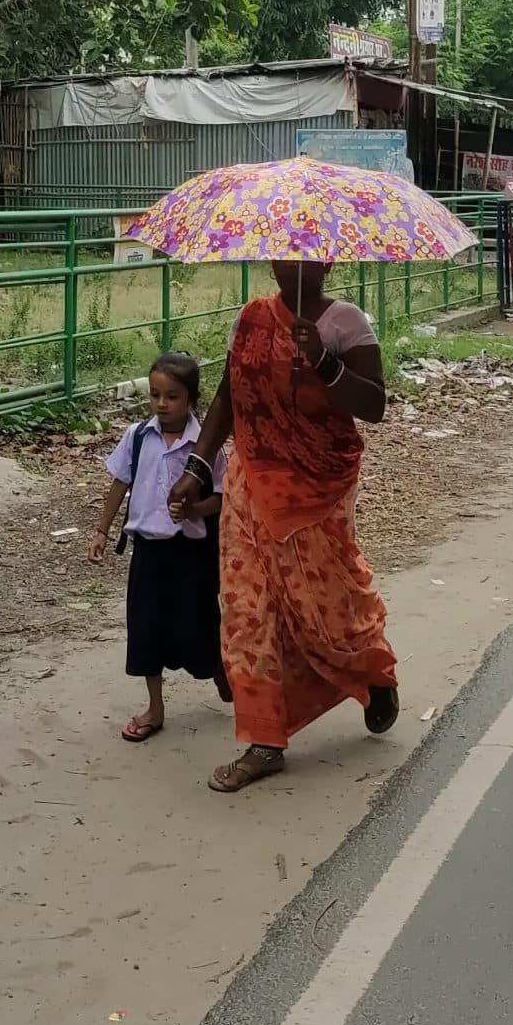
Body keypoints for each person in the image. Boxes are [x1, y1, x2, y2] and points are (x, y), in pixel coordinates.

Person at [168, 261, 399, 794]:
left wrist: (324, 362)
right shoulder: (251, 318)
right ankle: (264, 740)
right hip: (251, 481)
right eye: (282, 253)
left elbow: (375, 405)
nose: (290, 263)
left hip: (317, 489)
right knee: (247, 608)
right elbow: (228, 397)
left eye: (304, 255)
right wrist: (197, 469)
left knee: (328, 605)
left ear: (328, 260)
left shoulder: (346, 323)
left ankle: (369, 668)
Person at [89, 351, 229, 741]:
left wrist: (195, 509)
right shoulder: (138, 437)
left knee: (201, 624)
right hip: (148, 552)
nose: (162, 404)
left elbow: (224, 495)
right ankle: (155, 707)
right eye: (155, 395)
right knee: (146, 628)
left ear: (191, 399)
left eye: (172, 396)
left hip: (191, 553)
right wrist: (101, 531)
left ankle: (220, 670)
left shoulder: (205, 446)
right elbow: (119, 483)